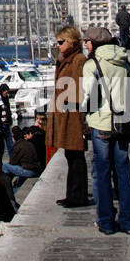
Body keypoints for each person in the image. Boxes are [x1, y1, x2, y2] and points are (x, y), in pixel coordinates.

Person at [81, 26, 130, 235]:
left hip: (101, 124)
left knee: (102, 174)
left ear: (95, 44)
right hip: (123, 122)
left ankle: (106, 222)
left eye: (87, 42)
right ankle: (129, 222)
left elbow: (89, 96)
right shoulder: (124, 62)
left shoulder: (92, 65)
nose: (85, 45)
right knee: (123, 173)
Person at [50, 25, 90, 208]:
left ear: (71, 41)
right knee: (70, 155)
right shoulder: (66, 59)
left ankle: (77, 196)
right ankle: (72, 194)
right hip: (66, 113)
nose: (57, 45)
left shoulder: (79, 60)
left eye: (60, 42)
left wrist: (80, 115)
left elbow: (83, 88)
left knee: (76, 156)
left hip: (73, 114)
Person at [2, 125, 43, 191]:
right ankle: (14, 190)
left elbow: (13, 162)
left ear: (14, 138)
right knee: (19, 180)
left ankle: (6, 188)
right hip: (36, 169)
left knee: (5, 166)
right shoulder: (29, 143)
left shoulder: (18, 146)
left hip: (30, 171)